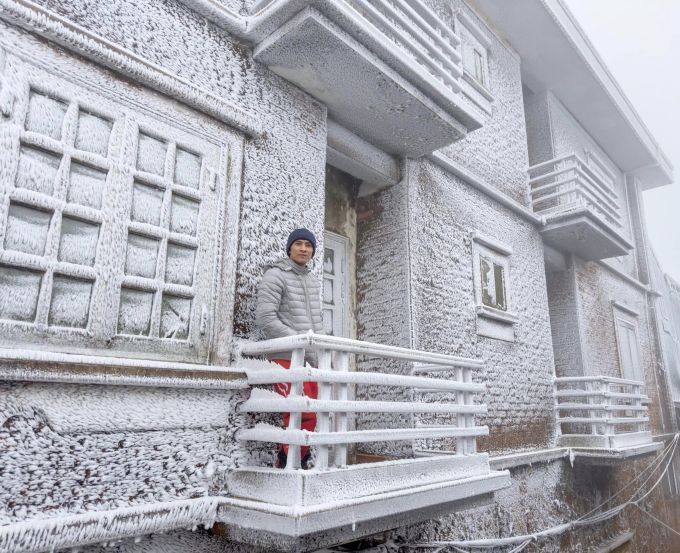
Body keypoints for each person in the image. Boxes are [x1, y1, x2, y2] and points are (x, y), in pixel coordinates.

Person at [255, 228, 323, 469]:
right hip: (286, 356)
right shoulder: (275, 275)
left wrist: (320, 354)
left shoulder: (311, 280)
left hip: (309, 359)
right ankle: (287, 462)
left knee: (311, 414)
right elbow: (265, 318)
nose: (304, 248)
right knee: (297, 413)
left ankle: (298, 459)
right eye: (299, 244)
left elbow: (316, 322)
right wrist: (296, 341)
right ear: (289, 248)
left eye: (308, 245)